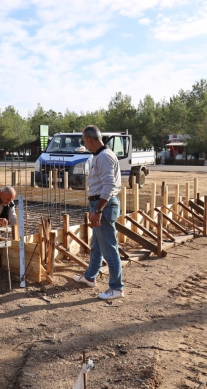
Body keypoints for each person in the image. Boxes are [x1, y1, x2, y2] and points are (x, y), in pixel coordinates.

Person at [73, 125, 124, 300]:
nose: (84, 144)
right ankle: (89, 277)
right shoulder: (97, 156)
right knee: (96, 245)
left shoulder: (104, 157)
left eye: (84, 140)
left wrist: (98, 210)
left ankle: (116, 288)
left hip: (104, 205)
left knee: (109, 248)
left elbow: (109, 186)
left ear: (90, 139)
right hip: (99, 204)